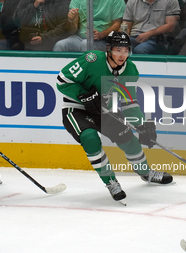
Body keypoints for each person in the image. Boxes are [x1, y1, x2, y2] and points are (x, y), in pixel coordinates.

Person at [56, 31, 173, 204]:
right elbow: (62, 80)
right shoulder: (92, 59)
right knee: (90, 139)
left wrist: (141, 124)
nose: (122, 55)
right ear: (109, 49)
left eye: (126, 50)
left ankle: (146, 173)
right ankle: (110, 181)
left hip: (106, 110)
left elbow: (129, 102)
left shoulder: (130, 70)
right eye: (118, 50)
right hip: (77, 109)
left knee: (128, 139)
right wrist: (84, 95)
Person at [53, 0, 126, 52]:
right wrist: (71, 19)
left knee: (86, 44)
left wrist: (101, 35)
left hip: (105, 40)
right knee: (60, 45)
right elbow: (72, 31)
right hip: (80, 38)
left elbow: (118, 24)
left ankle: (87, 72)